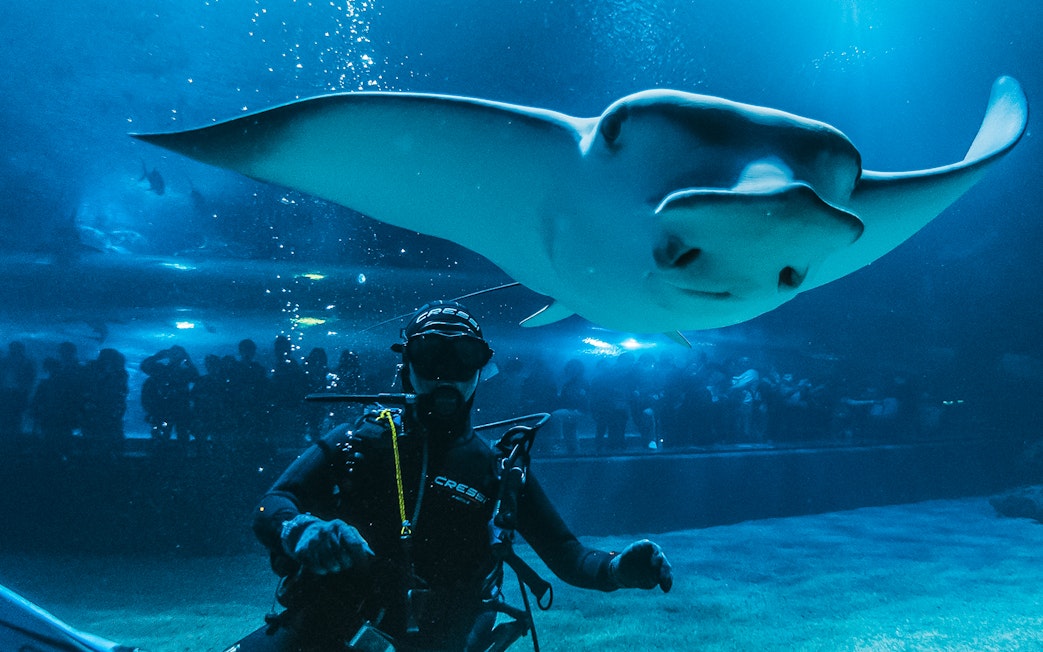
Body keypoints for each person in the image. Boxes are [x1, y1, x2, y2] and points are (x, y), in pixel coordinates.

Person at [234, 300, 672, 652]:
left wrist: (616, 570)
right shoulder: (359, 439)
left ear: (481, 369)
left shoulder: (497, 469)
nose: (446, 374)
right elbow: (273, 503)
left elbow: (567, 554)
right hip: (322, 627)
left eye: (463, 358)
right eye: (429, 355)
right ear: (406, 363)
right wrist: (300, 528)